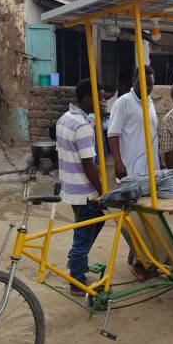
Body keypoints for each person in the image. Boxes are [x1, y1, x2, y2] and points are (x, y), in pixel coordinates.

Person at [56, 79, 106, 295]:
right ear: (86, 98)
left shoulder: (64, 119)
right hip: (85, 191)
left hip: (71, 188)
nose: (102, 102)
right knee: (83, 234)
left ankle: (76, 260)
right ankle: (77, 281)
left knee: (93, 225)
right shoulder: (83, 126)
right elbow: (88, 163)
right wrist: (103, 190)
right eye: (99, 98)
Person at [107, 65, 162, 179]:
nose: (146, 88)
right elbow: (112, 135)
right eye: (142, 83)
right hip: (131, 169)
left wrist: (160, 159)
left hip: (151, 169)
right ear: (133, 81)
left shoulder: (150, 103)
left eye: (149, 84)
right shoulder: (123, 102)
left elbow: (153, 135)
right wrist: (118, 163)